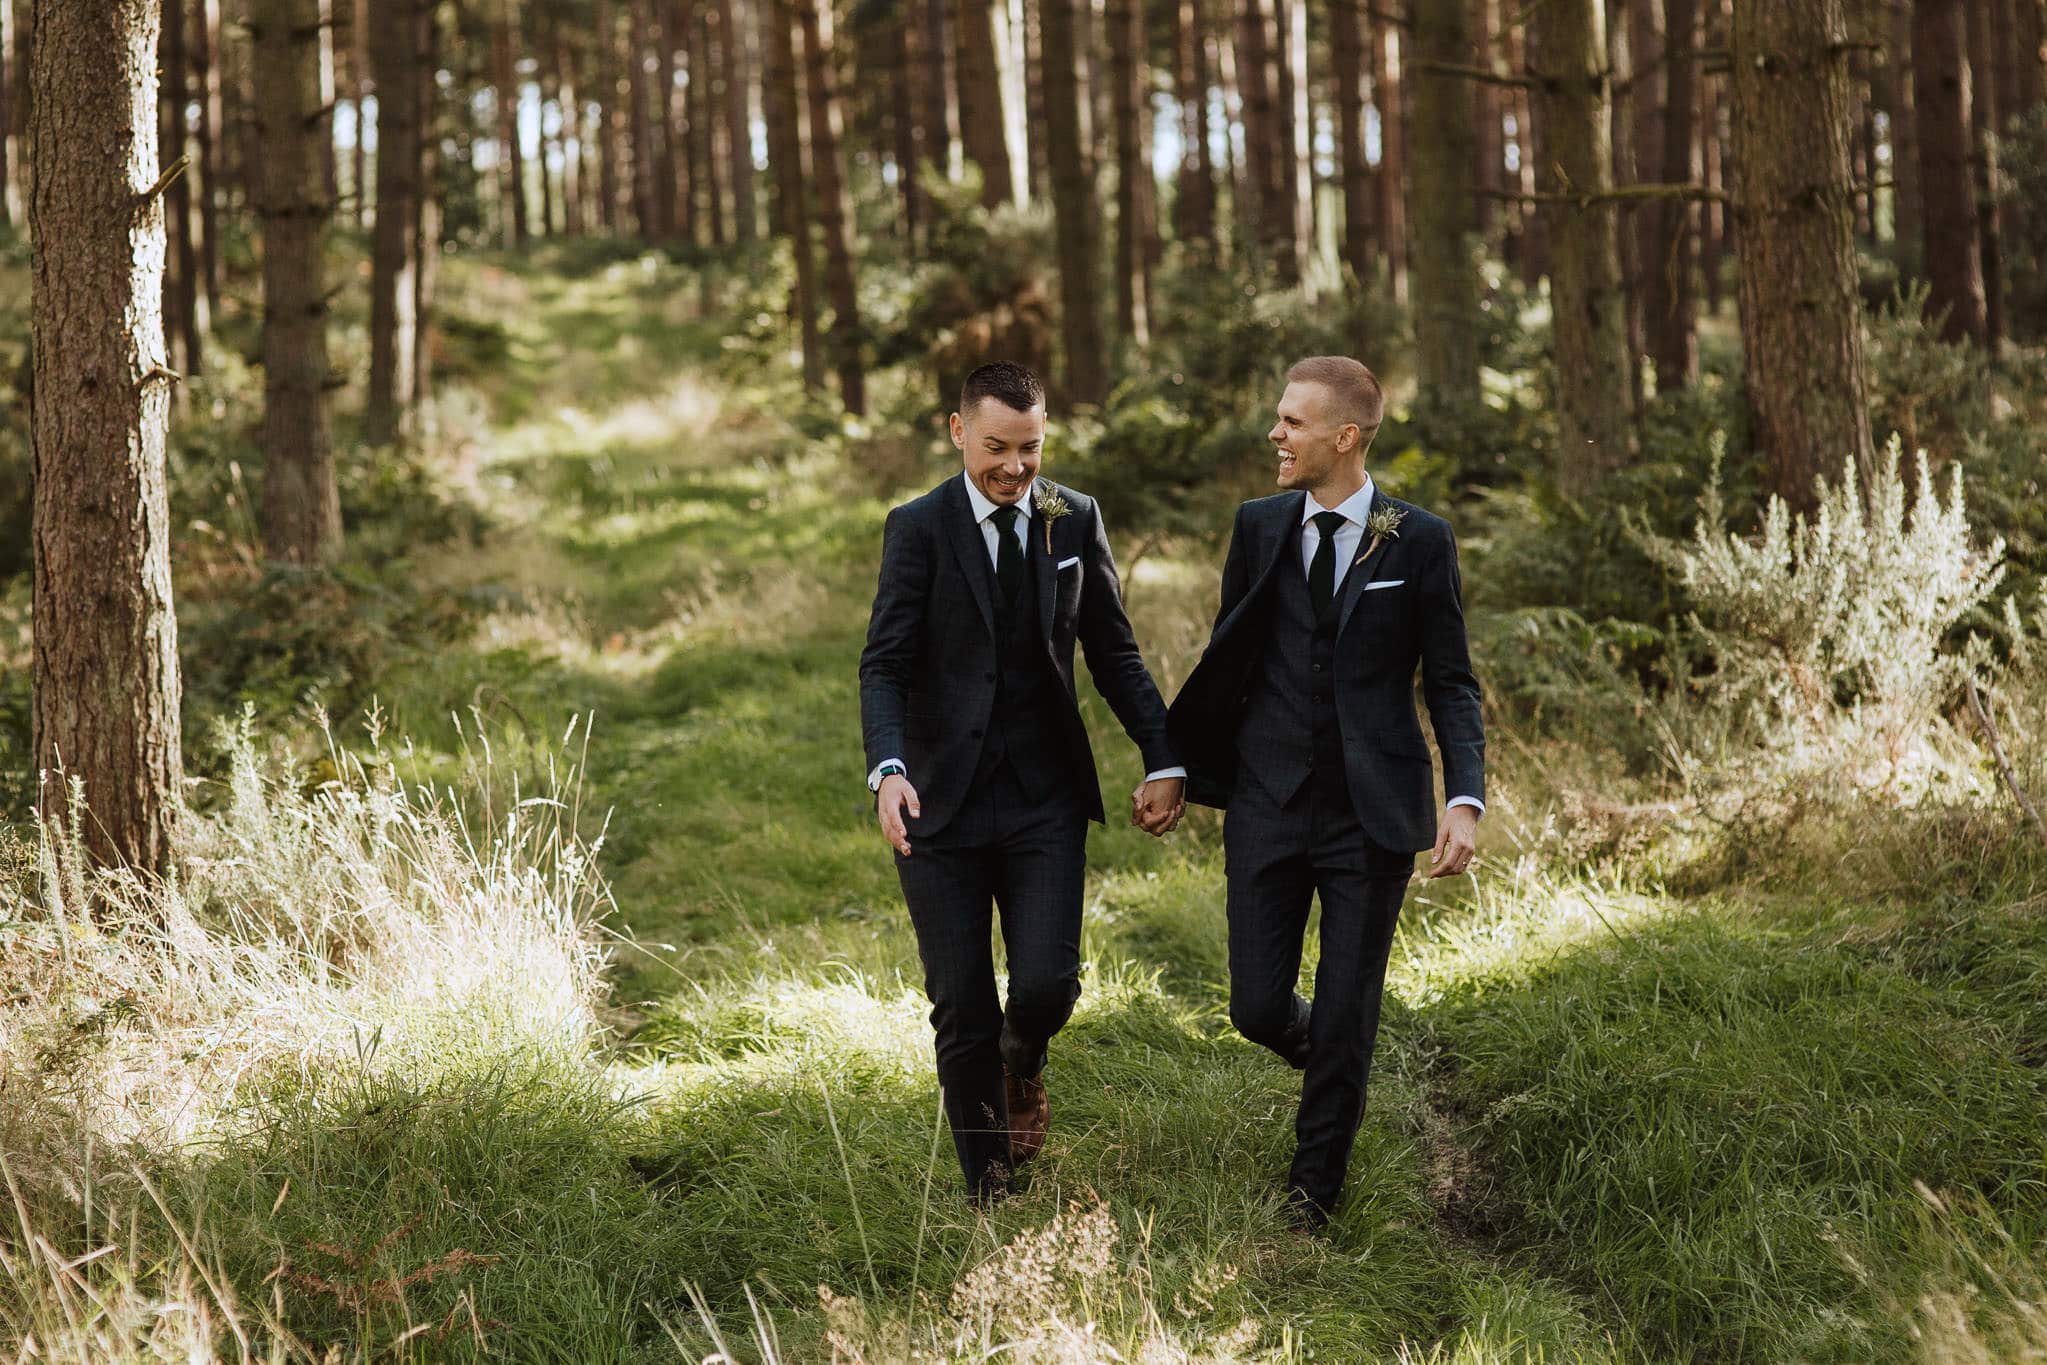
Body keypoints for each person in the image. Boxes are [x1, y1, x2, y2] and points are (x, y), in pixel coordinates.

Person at [1162, 355, 1485, 1228]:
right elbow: (1226, 659)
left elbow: (1449, 681)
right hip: (1267, 799)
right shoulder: (1258, 525)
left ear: (1343, 437)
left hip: (1369, 812)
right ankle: (1336, 1063)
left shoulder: (1416, 537)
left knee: (1348, 1003)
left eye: (1291, 422)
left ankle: (1313, 1197)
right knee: (1256, 1005)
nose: (1275, 433)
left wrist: (1464, 795)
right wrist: (1174, 764)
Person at [859, 361, 1186, 1204]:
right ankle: (988, 1189)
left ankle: (1024, 1058)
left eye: (1031, 447)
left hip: (1043, 795)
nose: (1014, 467)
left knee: (1045, 985)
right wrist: (887, 770)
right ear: (958, 430)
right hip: (939, 799)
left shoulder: (1070, 518)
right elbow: (885, 663)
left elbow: (1112, 651)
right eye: (996, 447)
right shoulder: (918, 527)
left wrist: (1164, 754)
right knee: (961, 1003)